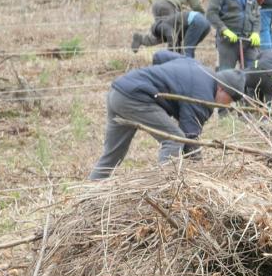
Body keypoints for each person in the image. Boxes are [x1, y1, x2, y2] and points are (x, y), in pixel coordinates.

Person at [88, 51, 244, 180]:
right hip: (135, 98)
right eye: (229, 101)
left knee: (112, 155)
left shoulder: (197, 66)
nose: (227, 105)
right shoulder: (203, 96)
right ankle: (164, 189)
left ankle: (90, 191)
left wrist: (162, 79)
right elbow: (189, 138)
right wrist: (201, 174)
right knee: (174, 140)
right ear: (222, 89)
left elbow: (160, 56)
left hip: (118, 91)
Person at [207, 0, 261, 70]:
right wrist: (224, 30)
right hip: (228, 42)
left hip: (248, 41)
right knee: (226, 74)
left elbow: (256, 15)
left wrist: (255, 32)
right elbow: (211, 13)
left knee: (253, 72)